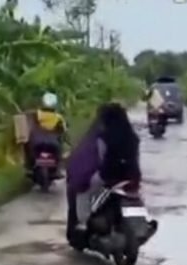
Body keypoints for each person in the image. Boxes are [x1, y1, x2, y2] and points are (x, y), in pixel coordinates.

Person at [65, 102, 141, 237]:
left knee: (83, 191)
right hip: (132, 176)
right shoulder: (132, 137)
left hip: (109, 176)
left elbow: (99, 160)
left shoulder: (104, 137)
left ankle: (83, 222)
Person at [23, 92, 68, 175]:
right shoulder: (58, 117)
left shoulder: (35, 114)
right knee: (60, 149)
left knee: (27, 148)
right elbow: (64, 132)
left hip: (36, 143)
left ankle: (29, 167)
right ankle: (58, 169)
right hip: (53, 144)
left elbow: (26, 124)